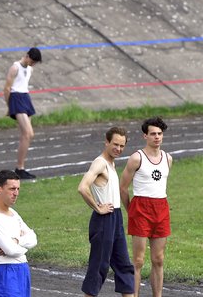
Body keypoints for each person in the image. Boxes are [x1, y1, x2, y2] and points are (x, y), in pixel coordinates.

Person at [78, 127, 135, 297]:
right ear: (107, 142)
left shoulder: (111, 162)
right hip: (104, 220)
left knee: (124, 265)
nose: (118, 149)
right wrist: (98, 207)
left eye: (122, 146)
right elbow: (82, 187)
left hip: (115, 218)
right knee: (99, 267)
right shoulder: (100, 163)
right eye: (115, 144)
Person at [120, 117, 173, 297]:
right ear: (145, 136)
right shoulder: (137, 158)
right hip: (141, 208)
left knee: (158, 259)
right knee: (138, 261)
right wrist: (131, 211)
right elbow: (123, 187)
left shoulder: (168, 158)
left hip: (161, 208)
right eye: (153, 134)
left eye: (159, 134)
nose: (156, 137)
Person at [0, 170, 37, 296]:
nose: (16, 193)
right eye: (12, 189)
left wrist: (17, 241)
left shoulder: (14, 214)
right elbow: (11, 250)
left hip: (22, 271)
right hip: (3, 274)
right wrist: (19, 244)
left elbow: (33, 239)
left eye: (18, 189)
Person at [2, 47, 42, 180]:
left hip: (25, 97)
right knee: (28, 133)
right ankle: (19, 168)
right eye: (33, 61)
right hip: (16, 97)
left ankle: (21, 167)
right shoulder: (15, 67)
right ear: (27, 56)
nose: (33, 64)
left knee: (26, 136)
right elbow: (7, 88)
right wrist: (9, 106)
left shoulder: (30, 69)